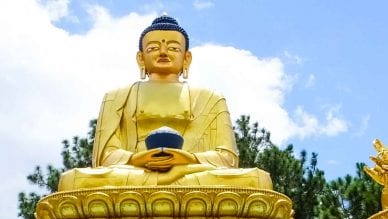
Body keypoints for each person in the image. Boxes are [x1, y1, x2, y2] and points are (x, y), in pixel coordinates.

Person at [58, 15, 273, 190]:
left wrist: (186, 159)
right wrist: (137, 159)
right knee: (72, 182)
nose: (163, 52)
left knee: (258, 181)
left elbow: (226, 158)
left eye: (173, 48)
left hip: (190, 173)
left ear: (186, 58)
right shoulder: (117, 96)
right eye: (153, 48)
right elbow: (105, 157)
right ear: (140, 58)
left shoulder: (210, 97)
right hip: (134, 174)